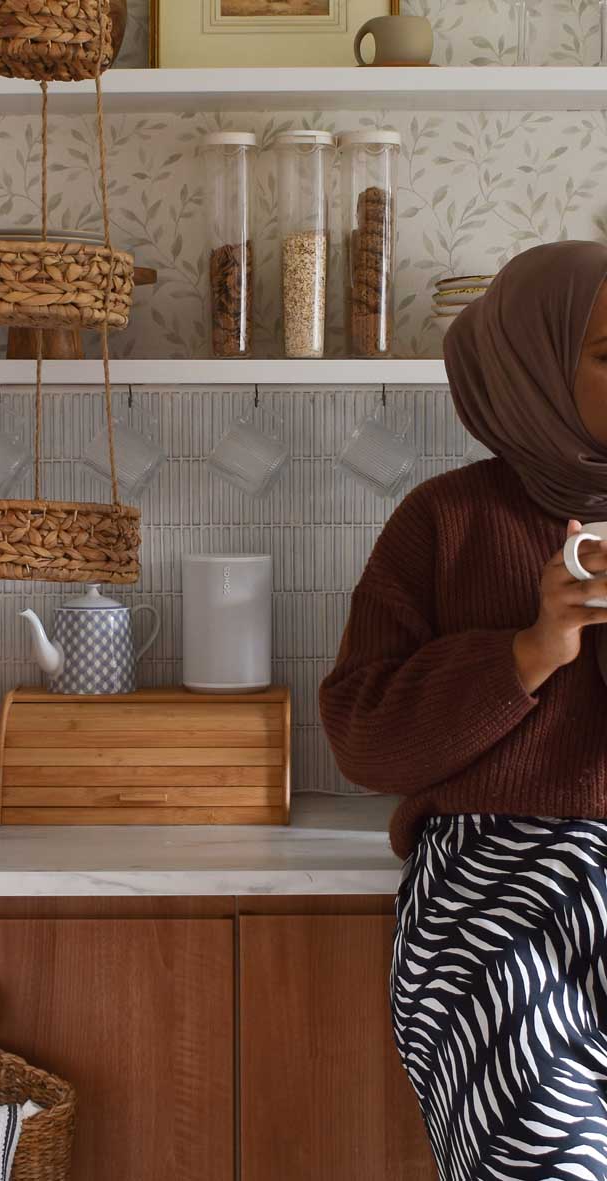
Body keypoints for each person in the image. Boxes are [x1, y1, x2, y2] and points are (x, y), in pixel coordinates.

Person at [319, 240, 607, 1181]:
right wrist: (531, 650)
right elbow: (362, 733)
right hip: (492, 896)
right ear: (532, 368)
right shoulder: (442, 519)